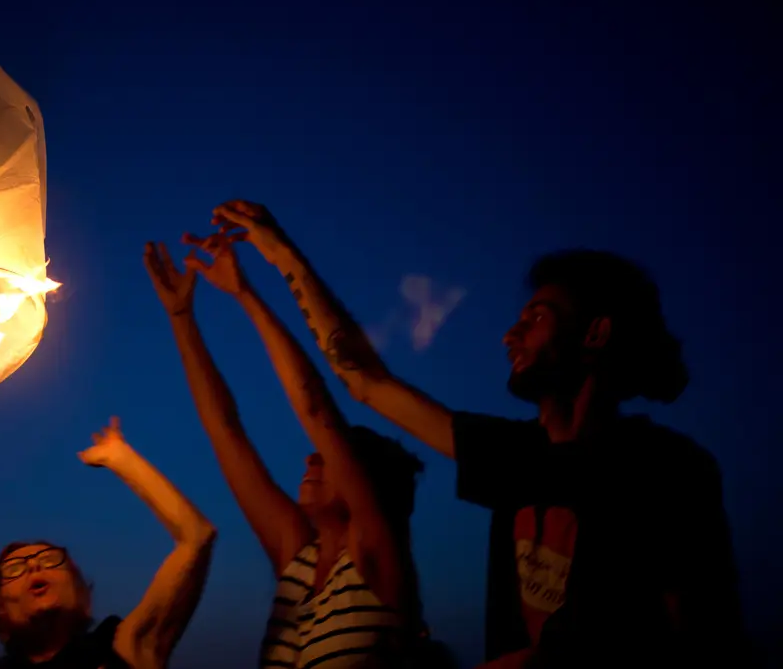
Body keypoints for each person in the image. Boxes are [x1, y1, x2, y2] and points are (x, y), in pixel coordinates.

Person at [207, 200, 745, 668]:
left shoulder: (668, 469)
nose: (510, 334)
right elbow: (364, 380)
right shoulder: (514, 458)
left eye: (536, 318)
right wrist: (282, 257)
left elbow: (698, 638)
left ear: (596, 334)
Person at [145, 237, 448, 669]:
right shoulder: (299, 558)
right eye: (318, 454)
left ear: (368, 482)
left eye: (328, 456)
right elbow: (225, 432)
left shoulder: (375, 555)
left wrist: (245, 294)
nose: (311, 459)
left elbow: (315, 407)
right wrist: (181, 316)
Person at [0, 417, 217, 669]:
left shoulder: (126, 647)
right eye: (15, 568)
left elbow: (196, 538)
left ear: (81, 593)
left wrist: (121, 458)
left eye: (51, 559)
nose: (35, 565)